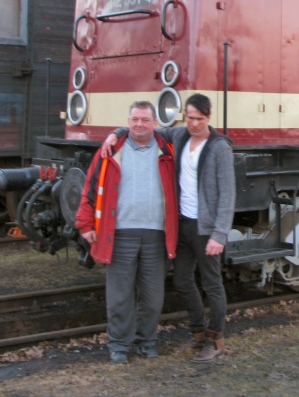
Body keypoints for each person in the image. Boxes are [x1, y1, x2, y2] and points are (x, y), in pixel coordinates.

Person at [102, 93, 235, 363]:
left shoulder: (220, 147)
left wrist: (219, 234)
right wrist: (115, 133)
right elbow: (145, 126)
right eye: (190, 117)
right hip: (183, 224)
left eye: (199, 119)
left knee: (212, 284)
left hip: (206, 227)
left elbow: (228, 194)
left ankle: (216, 339)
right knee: (182, 279)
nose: (194, 123)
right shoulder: (180, 136)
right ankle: (198, 332)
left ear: (208, 118)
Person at [76, 101, 178, 365]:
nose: (139, 125)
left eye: (145, 120)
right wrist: (84, 223)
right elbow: (90, 186)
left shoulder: (168, 150)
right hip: (119, 233)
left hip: (156, 234)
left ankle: (147, 342)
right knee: (119, 295)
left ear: (154, 123)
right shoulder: (111, 150)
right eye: (134, 120)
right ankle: (119, 345)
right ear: (128, 121)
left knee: (153, 295)